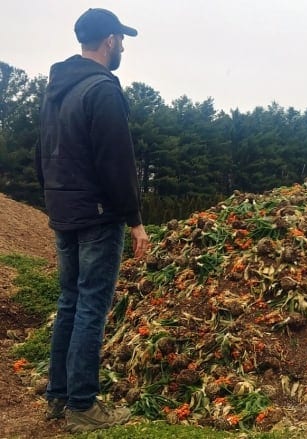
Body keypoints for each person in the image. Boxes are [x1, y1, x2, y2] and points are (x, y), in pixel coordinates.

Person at [35, 8, 149, 433]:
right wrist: (134, 220)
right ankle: (82, 405)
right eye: (122, 40)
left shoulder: (56, 89)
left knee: (70, 301)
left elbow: (41, 153)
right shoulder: (102, 89)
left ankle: (58, 395)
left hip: (64, 211)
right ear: (109, 41)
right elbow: (117, 162)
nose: (123, 48)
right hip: (98, 216)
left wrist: (54, 200)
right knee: (91, 307)